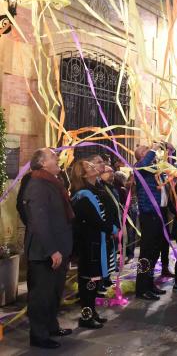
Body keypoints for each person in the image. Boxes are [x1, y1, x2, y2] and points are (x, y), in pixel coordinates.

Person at [23, 148, 74, 349]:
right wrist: (52, 249)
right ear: (43, 163)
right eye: (53, 156)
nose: (58, 158)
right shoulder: (37, 184)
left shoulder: (52, 182)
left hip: (59, 248)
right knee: (41, 296)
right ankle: (39, 335)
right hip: (45, 251)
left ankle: (51, 326)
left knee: (54, 293)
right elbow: (39, 221)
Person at [71, 159, 116, 330]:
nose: (94, 167)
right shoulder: (82, 195)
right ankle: (86, 316)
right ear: (83, 175)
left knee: (95, 280)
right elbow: (96, 221)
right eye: (89, 167)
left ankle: (92, 312)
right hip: (89, 244)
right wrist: (110, 227)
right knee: (88, 281)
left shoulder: (96, 189)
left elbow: (109, 209)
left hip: (98, 241)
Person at [134, 143, 167, 300]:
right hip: (149, 214)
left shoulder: (155, 169)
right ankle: (141, 288)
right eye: (145, 150)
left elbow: (170, 170)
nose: (149, 151)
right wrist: (153, 149)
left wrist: (169, 150)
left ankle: (149, 283)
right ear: (140, 155)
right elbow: (145, 163)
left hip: (159, 214)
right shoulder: (139, 167)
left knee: (155, 251)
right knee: (146, 252)